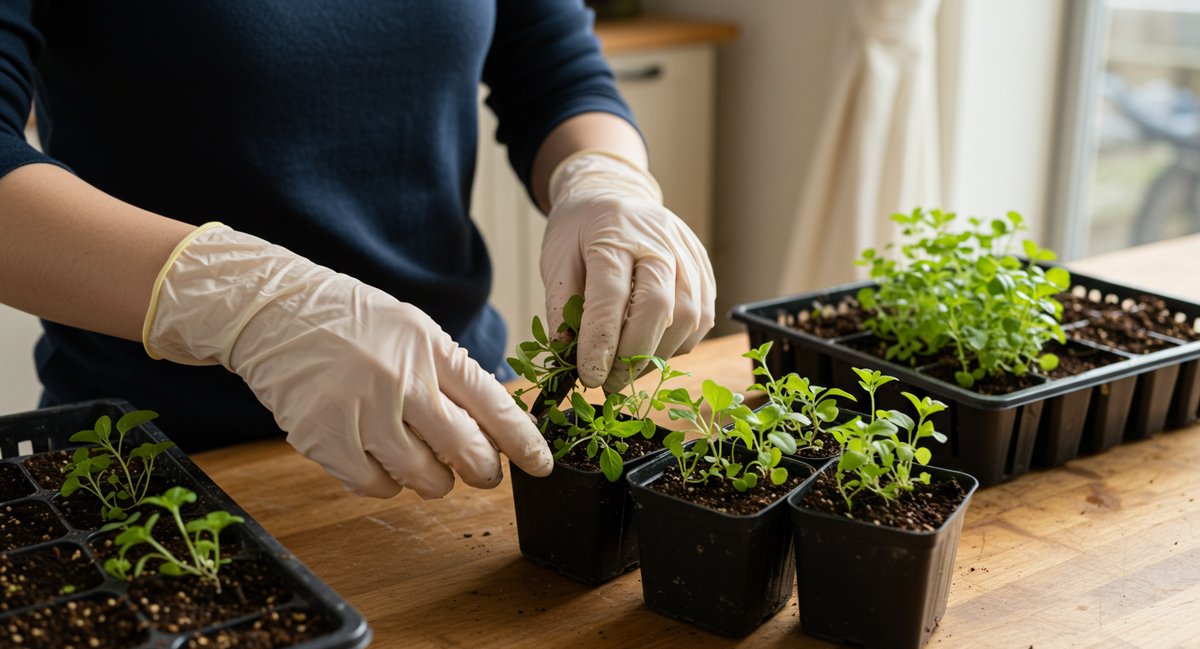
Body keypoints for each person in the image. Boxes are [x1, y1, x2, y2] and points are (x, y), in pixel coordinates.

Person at [0, 2, 715, 500]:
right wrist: (252, 306)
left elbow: (557, 74)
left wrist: (605, 180)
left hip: (454, 418)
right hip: (158, 456)